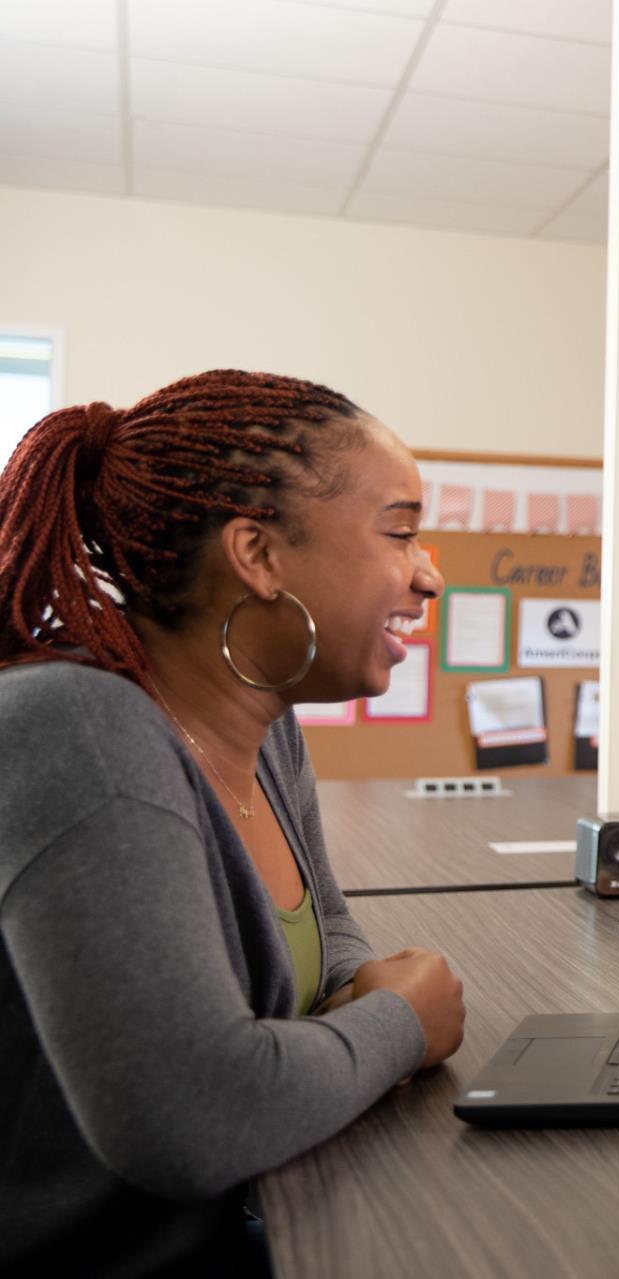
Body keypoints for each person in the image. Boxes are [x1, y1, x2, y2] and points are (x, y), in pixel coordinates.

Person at [0, 370, 468, 1274]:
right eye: (400, 532)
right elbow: (195, 1119)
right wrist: (400, 1020)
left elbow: (324, 927)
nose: (428, 573)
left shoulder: (265, 720)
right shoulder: (79, 730)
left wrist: (345, 1006)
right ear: (257, 553)